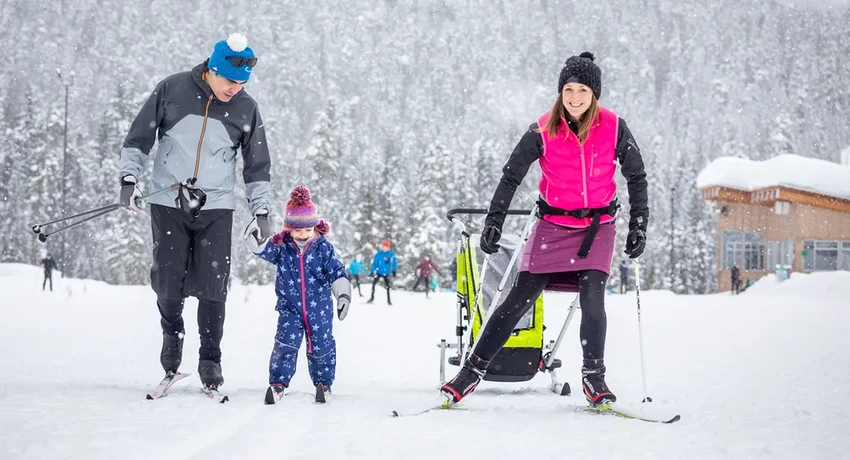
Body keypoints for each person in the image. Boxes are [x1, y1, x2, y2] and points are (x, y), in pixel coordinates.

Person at [440, 52, 649, 407]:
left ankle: (593, 378)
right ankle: (471, 371)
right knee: (516, 301)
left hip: (597, 228)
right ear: (560, 92)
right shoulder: (542, 129)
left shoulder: (614, 127)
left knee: (593, 303)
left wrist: (638, 224)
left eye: (583, 89)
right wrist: (494, 221)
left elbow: (637, 176)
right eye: (569, 88)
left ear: (594, 93)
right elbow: (512, 176)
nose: (575, 96)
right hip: (552, 226)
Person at [117, 33, 272, 391]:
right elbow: (139, 137)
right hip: (168, 201)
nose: (236, 88)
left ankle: (210, 360)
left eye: (243, 82)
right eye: (230, 81)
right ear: (212, 71)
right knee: (168, 282)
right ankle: (172, 335)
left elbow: (257, 165)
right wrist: (129, 178)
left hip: (216, 206)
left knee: (214, 286)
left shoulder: (246, 108)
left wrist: (260, 210)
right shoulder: (172, 89)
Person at [246, 186, 351, 404]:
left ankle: (324, 383)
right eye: (297, 230)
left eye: (307, 230)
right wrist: (256, 244)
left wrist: (343, 295)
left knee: (321, 345)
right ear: (289, 229)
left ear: (315, 227)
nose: (302, 235)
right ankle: (278, 384)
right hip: (290, 308)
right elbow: (265, 249)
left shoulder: (323, 249)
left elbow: (336, 271)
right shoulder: (282, 247)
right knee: (285, 344)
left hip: (319, 309)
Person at [368, 240, 398, 305]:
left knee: (388, 287)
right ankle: (372, 298)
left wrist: (394, 270)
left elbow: (394, 263)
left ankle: (389, 301)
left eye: (386, 247)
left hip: (386, 273)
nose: (385, 248)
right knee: (373, 284)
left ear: (388, 248)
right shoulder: (379, 254)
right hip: (379, 272)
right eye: (384, 247)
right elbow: (374, 263)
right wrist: (372, 271)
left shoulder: (391, 254)